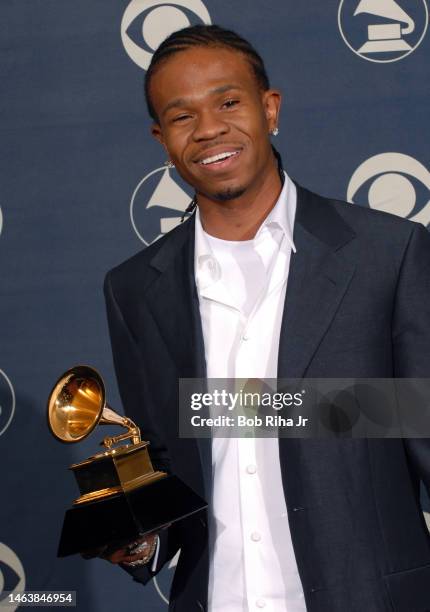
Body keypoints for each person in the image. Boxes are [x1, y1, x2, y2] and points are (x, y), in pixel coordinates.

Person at [103, 24, 430, 612]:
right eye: (182, 117)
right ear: (161, 139)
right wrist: (141, 538)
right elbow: (166, 463)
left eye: (228, 102)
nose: (208, 129)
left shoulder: (389, 254)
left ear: (270, 108)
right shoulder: (133, 289)